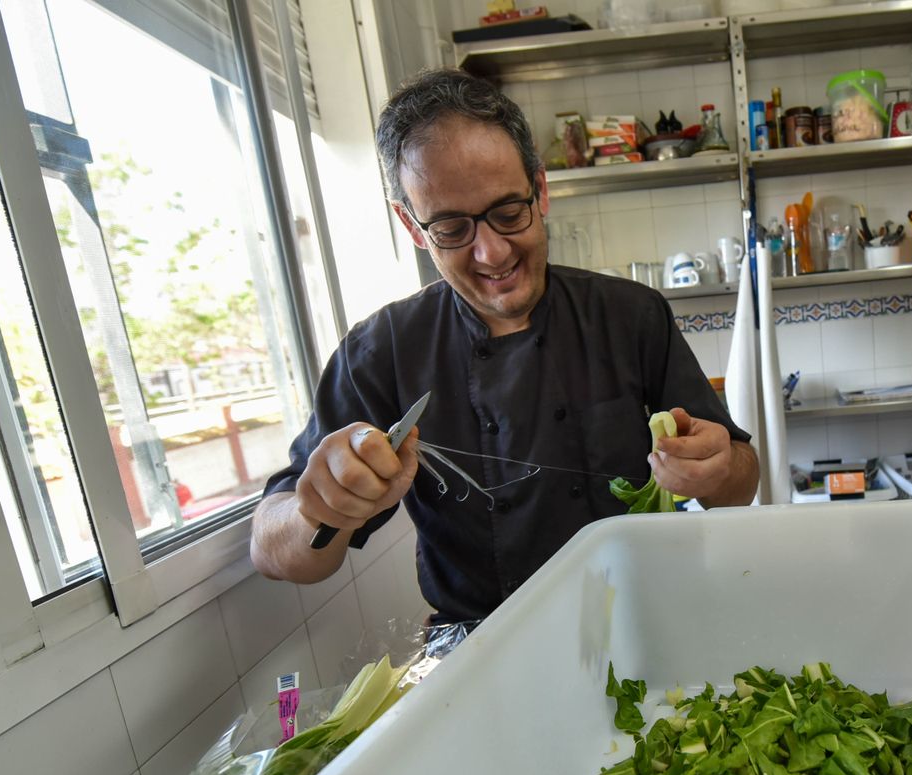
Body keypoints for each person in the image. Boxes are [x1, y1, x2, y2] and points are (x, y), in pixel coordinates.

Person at [250, 70, 760, 626]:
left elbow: (740, 483)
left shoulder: (631, 315)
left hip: (647, 624)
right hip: (481, 649)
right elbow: (273, 551)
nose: (491, 253)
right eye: (450, 228)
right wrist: (320, 507)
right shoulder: (382, 351)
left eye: (508, 212)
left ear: (540, 191)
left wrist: (715, 469)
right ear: (413, 227)